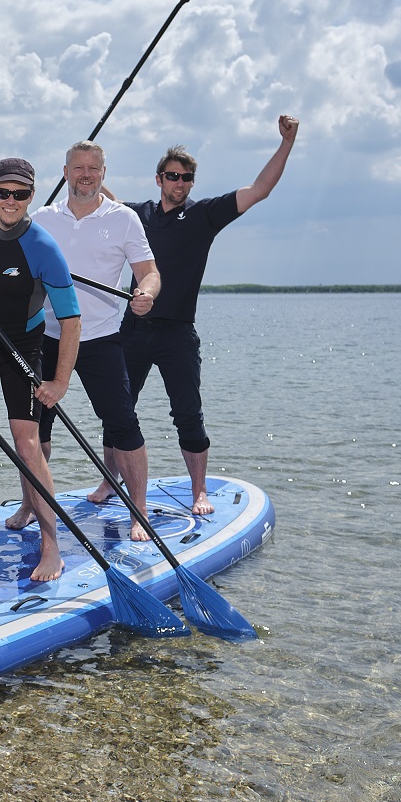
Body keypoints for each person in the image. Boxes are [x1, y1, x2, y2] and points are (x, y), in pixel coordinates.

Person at [115, 115, 300, 514]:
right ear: (158, 178)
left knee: (187, 413)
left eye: (185, 178)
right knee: (118, 408)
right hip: (132, 329)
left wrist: (287, 143)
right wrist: (83, 173)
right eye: (172, 176)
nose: (178, 183)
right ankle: (108, 479)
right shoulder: (136, 215)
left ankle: (198, 490)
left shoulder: (203, 216)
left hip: (177, 333)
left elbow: (260, 190)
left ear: (191, 183)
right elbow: (99, 200)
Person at [3, 141, 161, 540]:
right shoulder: (41, 218)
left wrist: (146, 293)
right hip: (46, 338)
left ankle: (138, 508)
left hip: (100, 338)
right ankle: (30, 504)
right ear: (65, 172)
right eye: (78, 167)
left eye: (94, 167)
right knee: (35, 429)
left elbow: (149, 272)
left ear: (103, 173)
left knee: (123, 424)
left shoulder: (123, 219)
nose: (86, 174)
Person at [0, 158, 80, 582]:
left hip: (22, 350)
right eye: (2, 192)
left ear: (31, 197)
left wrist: (59, 382)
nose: (10, 201)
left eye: (20, 194)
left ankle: (51, 546)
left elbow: (71, 320)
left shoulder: (43, 248)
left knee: (27, 445)